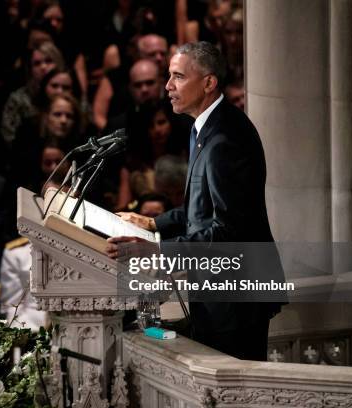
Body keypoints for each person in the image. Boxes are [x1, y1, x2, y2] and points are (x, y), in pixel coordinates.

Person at [106, 42, 281, 361]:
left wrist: (158, 250)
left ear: (209, 83)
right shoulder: (205, 127)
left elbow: (227, 231)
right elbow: (203, 208)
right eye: (168, 77)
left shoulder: (224, 138)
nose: (168, 86)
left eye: (178, 77)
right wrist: (152, 223)